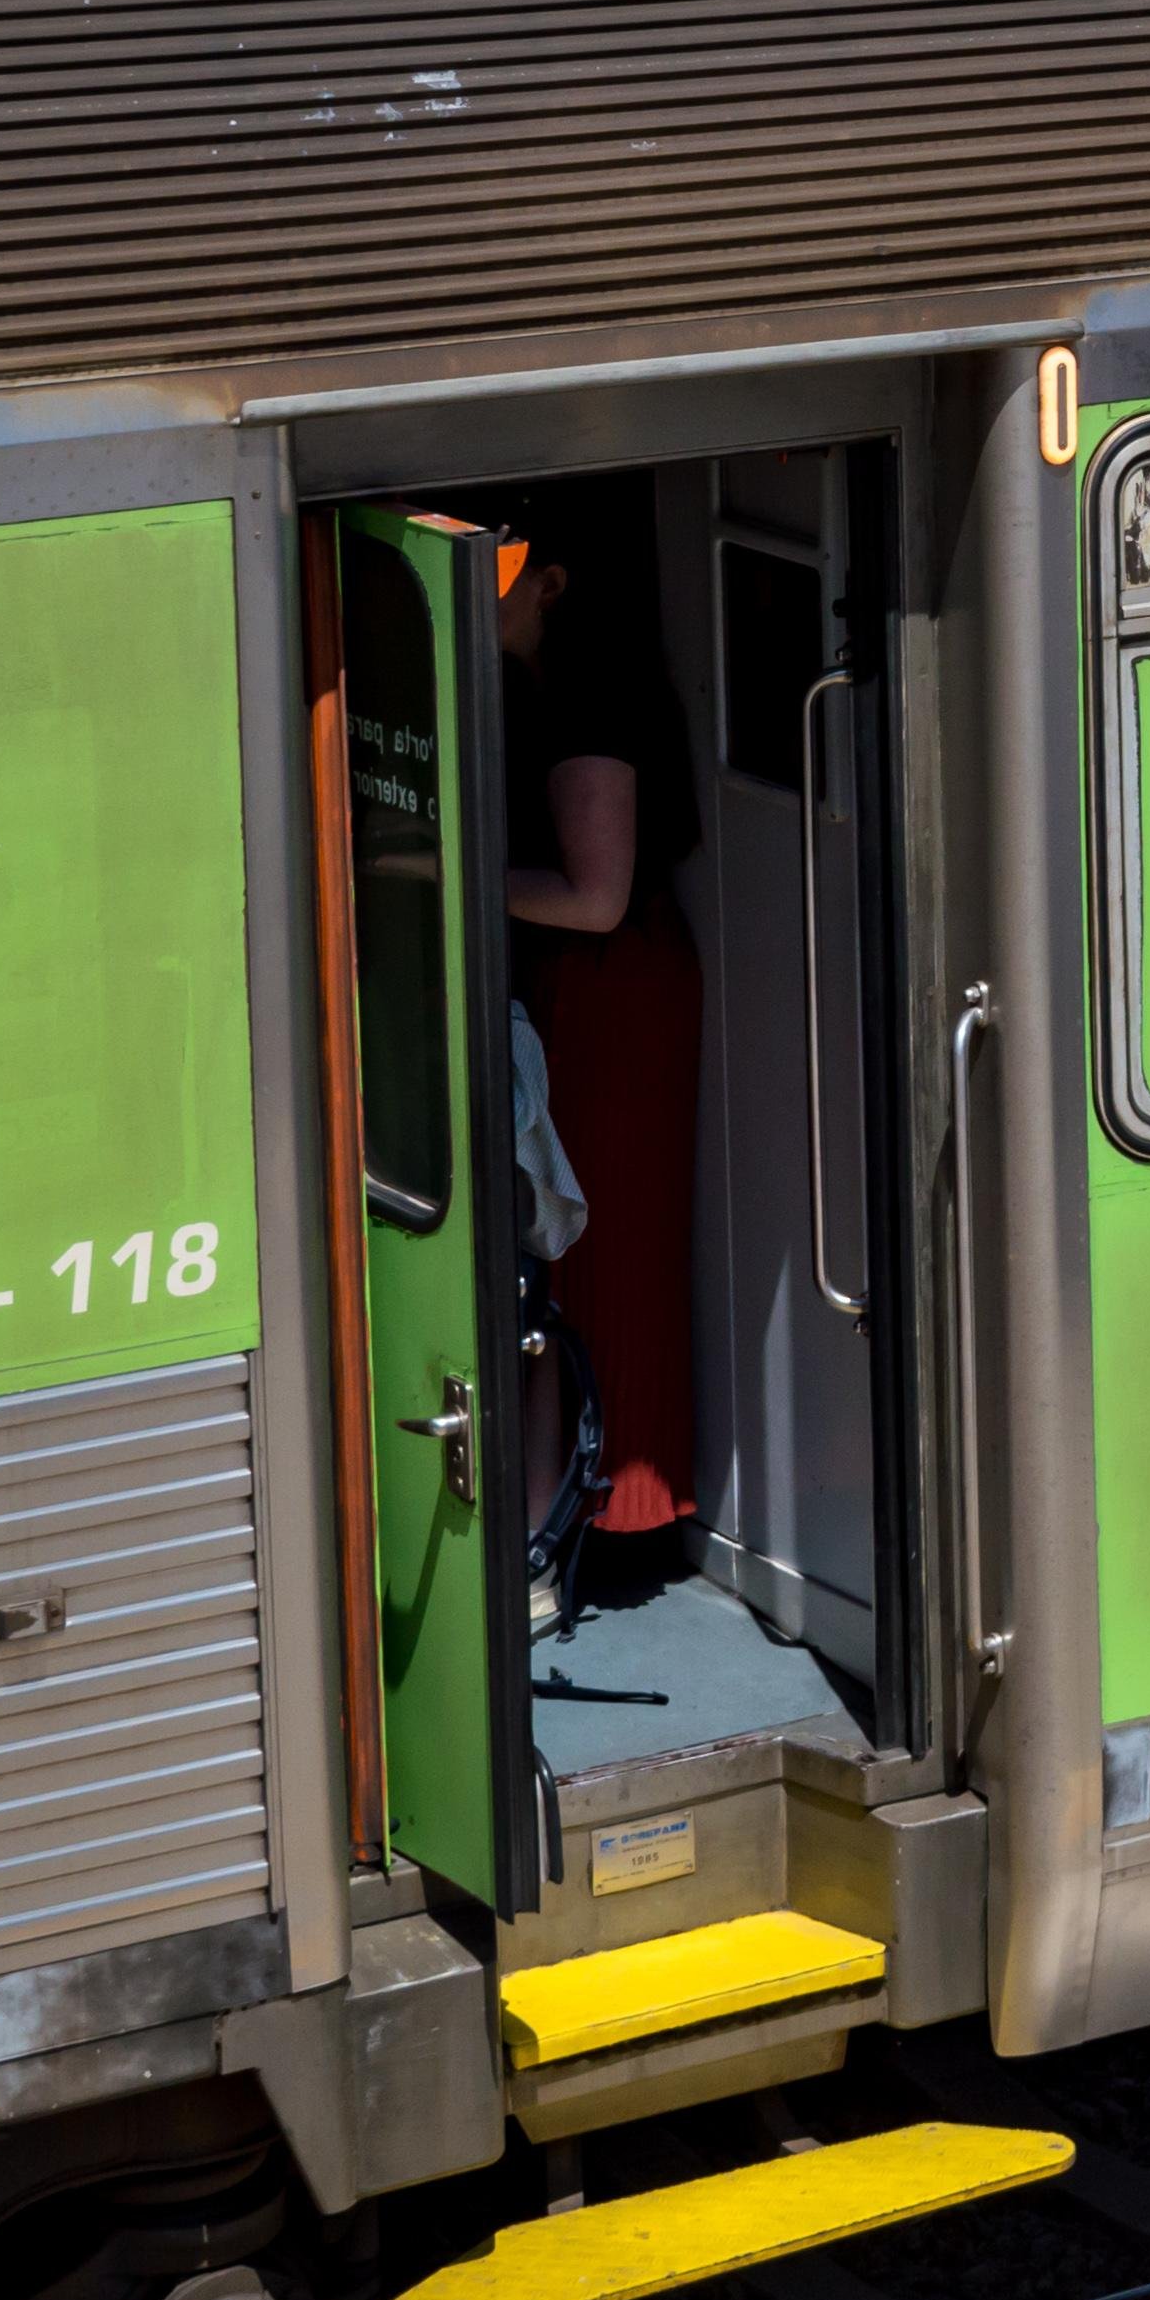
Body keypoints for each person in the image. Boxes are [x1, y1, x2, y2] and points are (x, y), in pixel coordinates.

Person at [484, 480, 703, 1569]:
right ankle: (559, 1511)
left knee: (590, 1250)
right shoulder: (536, 690)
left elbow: (595, 894)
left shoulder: (591, 701)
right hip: (593, 983)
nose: (479, 588)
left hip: (611, 989)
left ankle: (607, 1513)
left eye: (503, 566)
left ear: (554, 583)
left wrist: (444, 872)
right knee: (561, 1249)